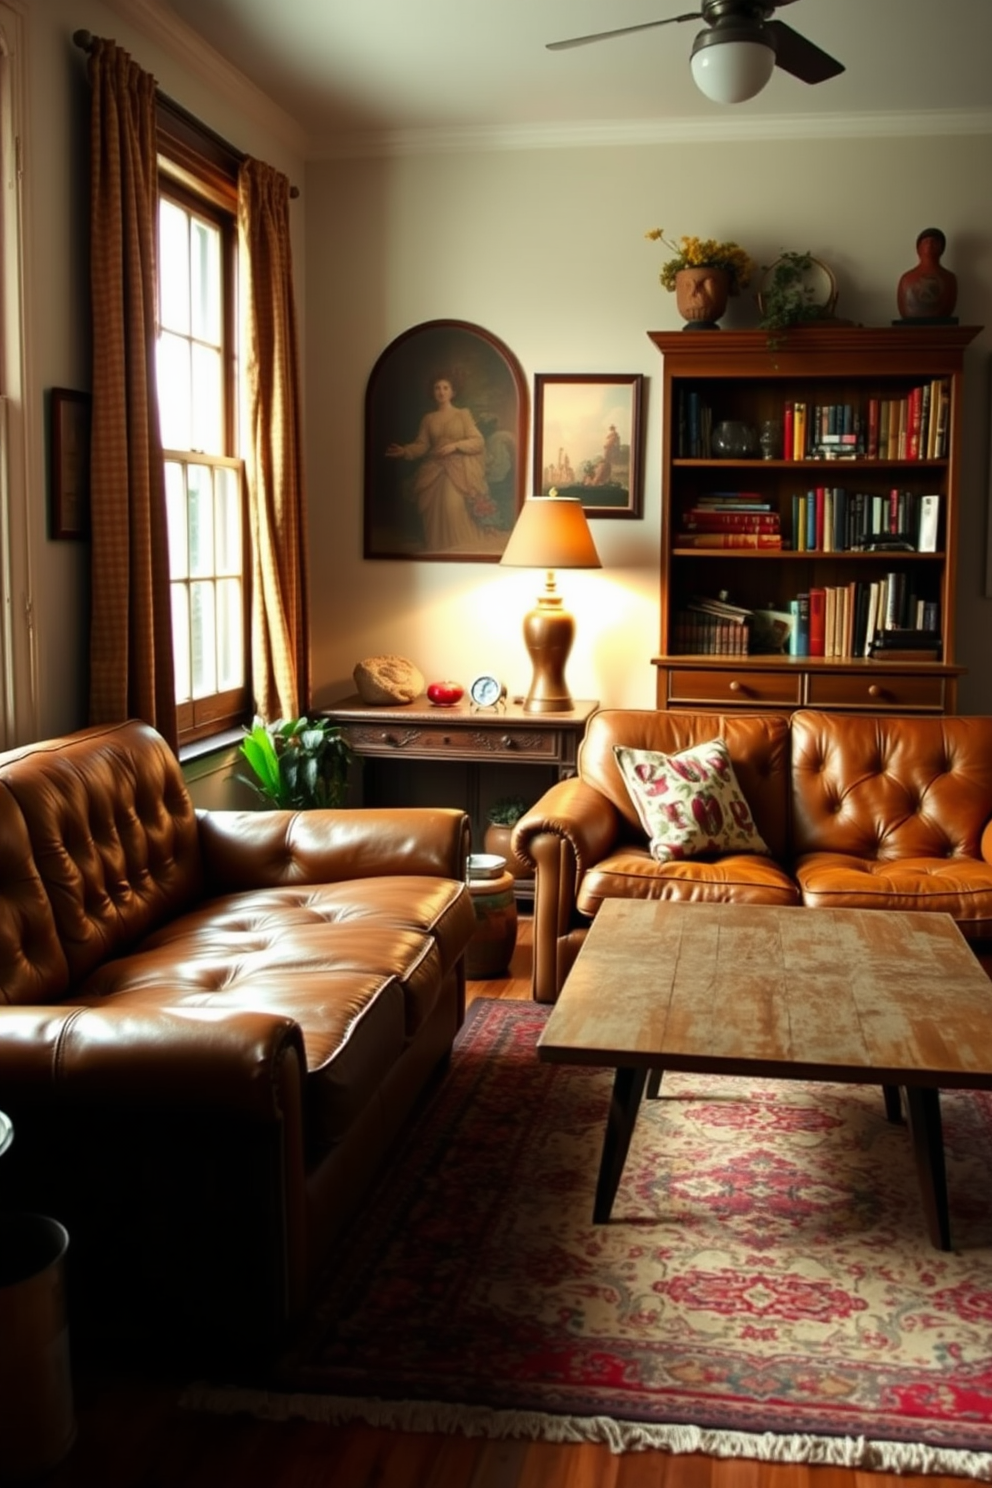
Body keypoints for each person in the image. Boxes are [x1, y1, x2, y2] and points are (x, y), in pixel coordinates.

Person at [386, 376, 498, 553]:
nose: (441, 391)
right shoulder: (428, 419)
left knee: (452, 506)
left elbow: (478, 441)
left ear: (452, 392)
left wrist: (455, 446)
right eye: (437, 388)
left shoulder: (463, 415)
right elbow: (422, 445)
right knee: (434, 513)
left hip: (459, 470)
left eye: (445, 388)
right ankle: (440, 555)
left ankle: (460, 553)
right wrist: (405, 451)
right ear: (433, 392)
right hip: (434, 469)